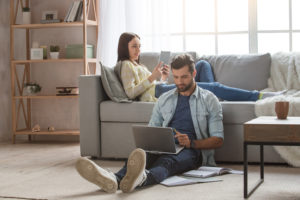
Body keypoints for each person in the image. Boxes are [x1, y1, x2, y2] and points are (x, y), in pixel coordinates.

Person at [76, 53, 224, 193]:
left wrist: (191, 143)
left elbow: (218, 140)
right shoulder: (165, 99)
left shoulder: (210, 100)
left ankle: (141, 179)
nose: (179, 82)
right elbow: (153, 128)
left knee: (166, 162)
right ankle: (113, 179)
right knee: (140, 154)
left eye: (184, 77)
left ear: (193, 74)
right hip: (165, 145)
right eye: (176, 77)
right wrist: (151, 140)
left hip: (192, 150)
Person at [117, 32, 286, 102]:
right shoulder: (125, 65)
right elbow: (130, 92)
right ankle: (259, 96)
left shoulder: (137, 64)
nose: (139, 50)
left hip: (160, 89)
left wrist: (161, 77)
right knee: (213, 86)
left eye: (139, 46)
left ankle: (212, 97)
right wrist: (152, 77)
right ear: (125, 47)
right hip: (158, 95)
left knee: (203, 65)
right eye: (134, 46)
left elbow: (152, 84)